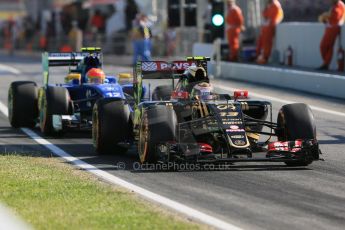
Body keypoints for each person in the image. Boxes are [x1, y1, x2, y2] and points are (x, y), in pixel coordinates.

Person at [317, 0, 345, 70]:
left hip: (333, 28)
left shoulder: (339, 5)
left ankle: (326, 63)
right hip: (330, 27)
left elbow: (336, 15)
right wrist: (326, 19)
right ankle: (326, 63)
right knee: (329, 47)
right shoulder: (336, 5)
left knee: (323, 46)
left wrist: (327, 16)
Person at [256, 0, 284, 64]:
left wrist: (267, 23)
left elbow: (273, 18)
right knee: (261, 40)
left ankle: (265, 57)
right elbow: (265, 14)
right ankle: (260, 55)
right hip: (267, 25)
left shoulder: (275, 5)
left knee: (267, 41)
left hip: (270, 26)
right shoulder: (270, 5)